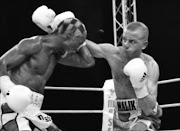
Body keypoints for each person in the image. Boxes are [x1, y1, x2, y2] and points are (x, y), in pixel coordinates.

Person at [0, 5, 95, 131]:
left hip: (32, 109)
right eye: (78, 42)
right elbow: (1, 63)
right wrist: (9, 90)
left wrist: (74, 35)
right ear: (68, 35)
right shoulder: (35, 44)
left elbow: (87, 61)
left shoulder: (57, 54)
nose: (78, 47)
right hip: (13, 104)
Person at [85, 21, 162, 131]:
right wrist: (74, 31)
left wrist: (140, 87)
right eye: (124, 39)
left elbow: (149, 109)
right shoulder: (114, 54)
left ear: (144, 45)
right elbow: (89, 47)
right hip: (121, 114)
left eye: (132, 42)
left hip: (143, 116)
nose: (125, 44)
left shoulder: (150, 66)